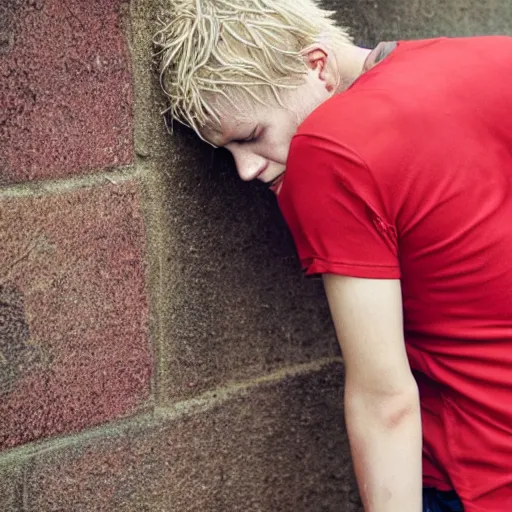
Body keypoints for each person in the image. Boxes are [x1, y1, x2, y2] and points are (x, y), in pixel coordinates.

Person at [153, 1, 512, 511]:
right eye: (226, 152)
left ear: (317, 65)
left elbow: (383, 401)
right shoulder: (495, 58)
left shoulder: (328, 148)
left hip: (479, 482)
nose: (246, 170)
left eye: (253, 136)